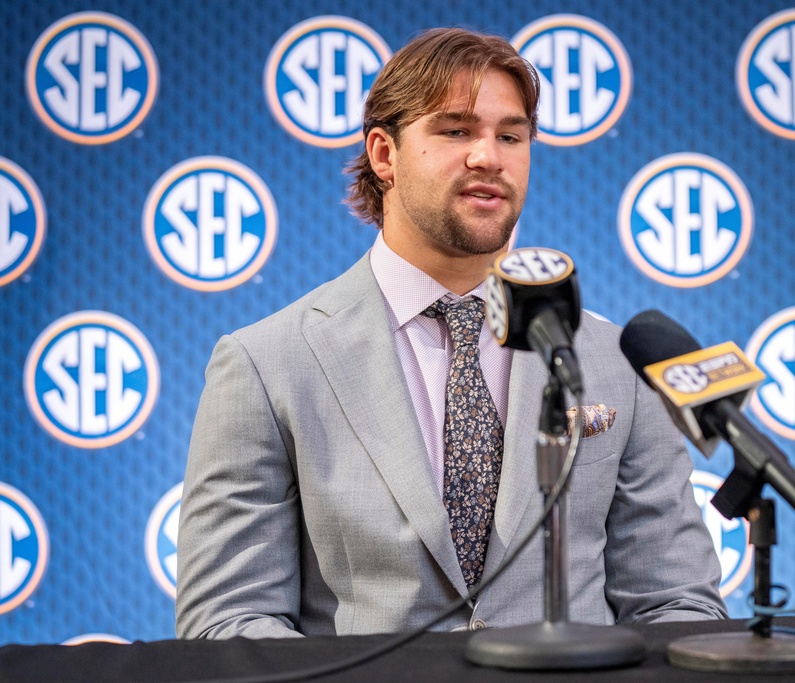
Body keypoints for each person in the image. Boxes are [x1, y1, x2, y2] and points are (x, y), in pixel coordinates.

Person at [175, 27, 726, 639]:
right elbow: (228, 621)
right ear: (384, 155)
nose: (489, 156)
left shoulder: (616, 363)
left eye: (511, 136)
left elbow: (675, 605)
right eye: (456, 130)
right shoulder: (266, 363)